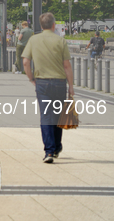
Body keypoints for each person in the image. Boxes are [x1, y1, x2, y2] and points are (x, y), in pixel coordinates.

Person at [22, 12, 74, 164]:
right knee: (58, 115)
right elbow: (67, 65)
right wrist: (71, 87)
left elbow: (25, 62)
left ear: (40, 25)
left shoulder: (33, 39)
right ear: (53, 25)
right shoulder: (60, 41)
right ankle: (57, 147)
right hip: (59, 83)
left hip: (42, 83)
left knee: (46, 115)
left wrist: (31, 78)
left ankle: (49, 151)